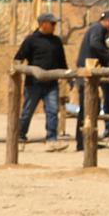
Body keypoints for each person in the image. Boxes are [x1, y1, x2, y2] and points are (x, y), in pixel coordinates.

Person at [14, 11, 69, 142]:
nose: (54, 26)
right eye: (52, 23)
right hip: (33, 84)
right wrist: (17, 72)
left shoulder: (57, 41)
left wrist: (68, 76)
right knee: (27, 111)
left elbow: (62, 61)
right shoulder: (31, 40)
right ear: (43, 24)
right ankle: (20, 135)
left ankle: (51, 138)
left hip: (51, 84)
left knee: (52, 111)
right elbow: (18, 58)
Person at [76, 11, 109, 143]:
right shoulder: (98, 29)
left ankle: (86, 139)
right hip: (87, 71)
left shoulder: (97, 30)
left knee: (92, 105)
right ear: (108, 21)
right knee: (88, 105)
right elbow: (95, 45)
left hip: (90, 69)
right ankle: (83, 141)